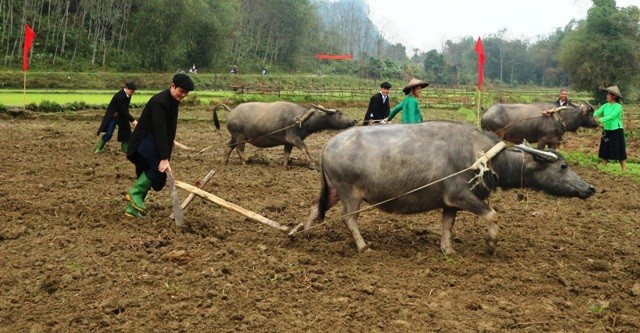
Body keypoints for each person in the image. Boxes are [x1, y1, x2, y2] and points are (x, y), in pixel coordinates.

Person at [123, 73, 195, 218]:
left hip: (150, 141)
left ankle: (132, 209)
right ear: (172, 86)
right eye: (181, 91)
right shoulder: (160, 102)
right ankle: (135, 193)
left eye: (186, 93)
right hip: (143, 142)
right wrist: (164, 157)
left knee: (148, 172)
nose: (183, 95)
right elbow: (159, 129)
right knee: (158, 168)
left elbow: (170, 125)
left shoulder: (173, 101)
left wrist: (171, 139)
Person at [95, 82, 137, 153]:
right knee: (109, 134)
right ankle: (99, 148)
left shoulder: (128, 96)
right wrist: (133, 120)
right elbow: (123, 110)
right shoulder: (119, 96)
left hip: (122, 117)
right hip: (114, 117)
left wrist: (128, 118)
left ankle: (124, 148)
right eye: (131, 92)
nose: (132, 93)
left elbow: (125, 109)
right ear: (126, 89)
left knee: (126, 131)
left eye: (133, 92)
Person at [594, 85, 626, 171]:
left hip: (616, 130)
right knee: (605, 148)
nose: (607, 96)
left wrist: (600, 120)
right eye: (607, 94)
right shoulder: (605, 106)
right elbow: (597, 113)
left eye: (608, 94)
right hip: (607, 130)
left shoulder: (618, 106)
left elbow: (612, 116)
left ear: (614, 96)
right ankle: (603, 166)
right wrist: (591, 116)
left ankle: (624, 169)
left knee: (619, 150)